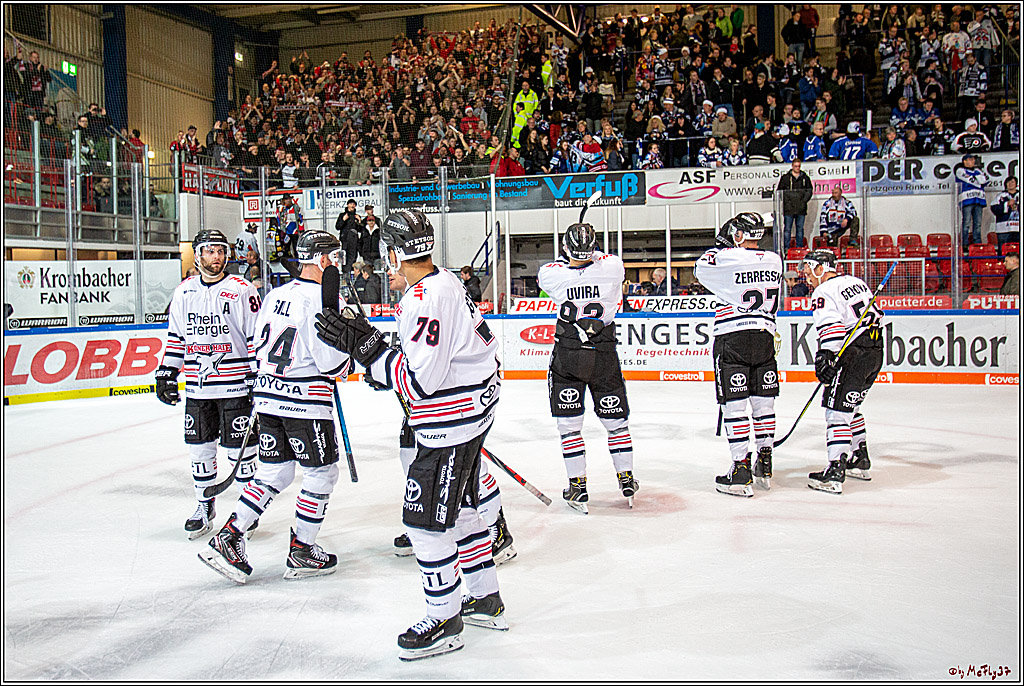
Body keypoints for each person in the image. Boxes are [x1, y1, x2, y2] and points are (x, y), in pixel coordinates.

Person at [314, 209, 505, 661]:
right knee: (457, 510)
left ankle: (445, 615)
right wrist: (379, 350)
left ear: (397, 254)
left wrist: (368, 352)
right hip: (474, 414)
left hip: (449, 427)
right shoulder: (446, 282)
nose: (386, 266)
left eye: (387, 256)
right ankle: (485, 595)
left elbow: (421, 383)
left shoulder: (423, 300)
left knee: (423, 522)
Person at [198, 231, 352, 584]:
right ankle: (302, 549)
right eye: (337, 257)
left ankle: (230, 536)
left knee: (275, 473)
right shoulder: (326, 300)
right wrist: (348, 361)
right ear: (324, 260)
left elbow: (256, 346)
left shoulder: (275, 294)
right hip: (305, 401)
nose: (339, 265)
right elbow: (331, 364)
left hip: (267, 398)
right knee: (322, 473)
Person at [386, 271, 517, 565]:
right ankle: (432, 505)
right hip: (437, 398)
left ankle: (497, 529)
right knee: (410, 452)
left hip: (453, 399)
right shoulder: (428, 289)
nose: (387, 273)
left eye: (391, 264)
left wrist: (391, 369)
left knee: (470, 470)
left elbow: (430, 370)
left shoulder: (430, 296)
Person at [155, 229, 260, 539]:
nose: (217, 256)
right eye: (210, 250)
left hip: (235, 387)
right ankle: (204, 505)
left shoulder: (242, 290)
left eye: (221, 250)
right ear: (198, 255)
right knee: (200, 450)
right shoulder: (184, 292)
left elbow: (255, 337)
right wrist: (167, 372)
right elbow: (176, 337)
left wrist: (258, 377)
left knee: (239, 452)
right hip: (199, 388)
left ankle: (245, 511)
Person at [537, 223, 637, 512]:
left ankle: (577, 485)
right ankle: (626, 477)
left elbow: (560, 267)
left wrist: (570, 255)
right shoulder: (613, 266)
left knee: (569, 427)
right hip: (603, 353)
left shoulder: (551, 274)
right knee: (617, 424)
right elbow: (601, 260)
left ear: (566, 247)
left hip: (569, 355)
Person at [694, 213, 782, 497]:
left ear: (739, 234)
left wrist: (721, 244)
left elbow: (700, 268)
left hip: (733, 337)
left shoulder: (725, 258)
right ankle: (764, 460)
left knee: (735, 406)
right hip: (764, 336)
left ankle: (740, 467)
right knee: (763, 404)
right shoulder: (775, 259)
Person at [798, 249, 884, 494]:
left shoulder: (823, 291)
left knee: (836, 411)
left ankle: (835, 470)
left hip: (852, 352)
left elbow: (832, 326)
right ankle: (860, 457)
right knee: (851, 405)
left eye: (808, 267)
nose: (806, 273)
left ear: (820, 267)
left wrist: (826, 356)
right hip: (875, 349)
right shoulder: (857, 282)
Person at [955, 153, 991, 249]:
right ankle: (964, 243)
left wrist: (979, 181)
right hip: (966, 199)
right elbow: (971, 180)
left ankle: (977, 243)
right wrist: (979, 182)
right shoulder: (960, 170)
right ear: (964, 161)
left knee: (978, 223)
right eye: (970, 160)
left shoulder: (978, 170)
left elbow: (986, 180)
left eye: (973, 159)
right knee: (966, 222)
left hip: (979, 199)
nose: (972, 161)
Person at [777, 159, 813, 249]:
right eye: (796, 166)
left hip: (801, 208)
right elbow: (780, 191)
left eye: (799, 166)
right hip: (789, 209)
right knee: (787, 230)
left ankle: (799, 248)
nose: (797, 168)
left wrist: (803, 201)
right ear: (792, 166)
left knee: (800, 229)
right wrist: (788, 201)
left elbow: (809, 191)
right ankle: (786, 248)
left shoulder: (805, 177)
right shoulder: (785, 178)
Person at [991, 176, 1019, 249]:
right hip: (1003, 229)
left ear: (1016, 184)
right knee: (1003, 251)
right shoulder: (1000, 196)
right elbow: (994, 209)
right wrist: (1006, 204)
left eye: (1012, 182)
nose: (1010, 184)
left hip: (1018, 228)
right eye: (1008, 182)